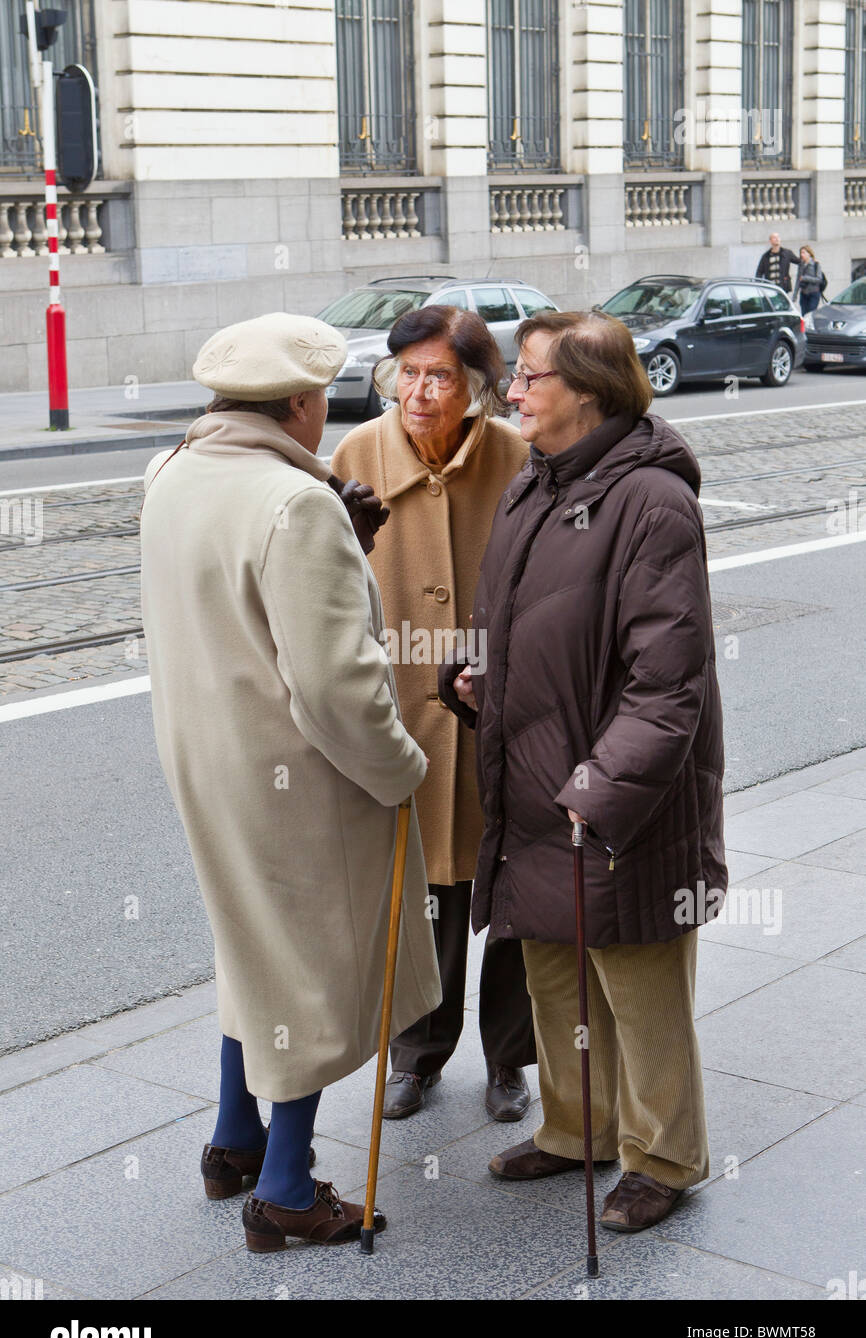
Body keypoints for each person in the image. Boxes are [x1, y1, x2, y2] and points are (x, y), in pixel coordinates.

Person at [139, 312, 441, 1250]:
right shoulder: (295, 504)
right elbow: (337, 688)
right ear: (306, 405)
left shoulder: (170, 472)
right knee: (309, 966)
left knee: (251, 945)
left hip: (205, 755)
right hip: (296, 779)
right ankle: (285, 1187)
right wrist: (405, 767)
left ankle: (235, 1139)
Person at [439, 310, 727, 1234]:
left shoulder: (652, 502)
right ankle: (578, 1129)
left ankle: (665, 1156)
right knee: (554, 972)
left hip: (617, 804)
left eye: (530, 378)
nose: (512, 392)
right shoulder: (537, 482)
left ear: (592, 392)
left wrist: (597, 795)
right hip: (534, 781)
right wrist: (476, 677)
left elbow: (668, 684)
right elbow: (519, 618)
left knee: (637, 982)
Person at [331, 304, 537, 1123]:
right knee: (424, 892)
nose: (418, 392)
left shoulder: (518, 458)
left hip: (502, 711)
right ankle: (417, 1055)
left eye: (439, 376)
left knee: (514, 889)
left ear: (477, 388)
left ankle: (510, 1059)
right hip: (402, 713)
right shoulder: (356, 456)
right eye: (406, 374)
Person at [794, 245, 825, 313]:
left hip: (813, 293)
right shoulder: (801, 265)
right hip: (803, 294)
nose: (802, 255)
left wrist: (805, 278)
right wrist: (795, 295)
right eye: (801, 253)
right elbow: (798, 280)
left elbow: (819, 279)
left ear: (809, 253)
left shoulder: (816, 264)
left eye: (803, 252)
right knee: (804, 314)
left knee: (811, 314)